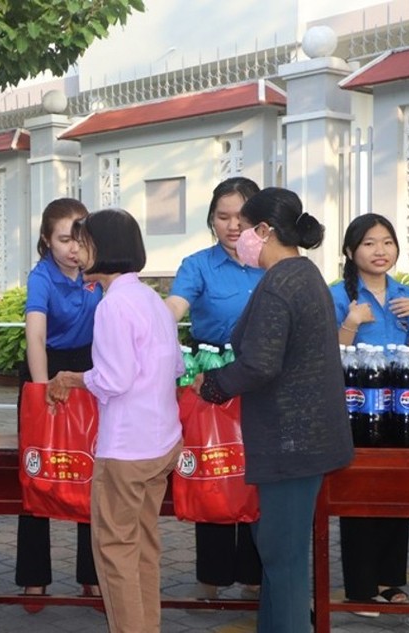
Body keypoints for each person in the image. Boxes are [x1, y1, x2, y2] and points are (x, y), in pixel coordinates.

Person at [195, 187, 354, 633]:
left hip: (291, 442)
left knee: (282, 562)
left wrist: (212, 384)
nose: (236, 235)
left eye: (243, 227)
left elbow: (261, 364)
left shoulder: (281, 282)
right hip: (305, 440)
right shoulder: (304, 274)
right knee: (278, 557)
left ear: (263, 231)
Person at [47, 209, 183, 633]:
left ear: (100, 249)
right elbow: (176, 366)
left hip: (126, 448)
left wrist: (72, 377)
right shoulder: (150, 300)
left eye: (81, 242)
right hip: (162, 442)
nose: (76, 251)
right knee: (144, 547)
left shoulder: (112, 306)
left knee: (116, 551)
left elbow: (114, 379)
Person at [164, 177, 264, 600]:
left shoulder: (272, 263)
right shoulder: (198, 265)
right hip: (212, 378)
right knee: (214, 468)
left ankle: (255, 578)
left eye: (242, 216)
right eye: (222, 217)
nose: (233, 225)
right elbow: (175, 306)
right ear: (211, 221)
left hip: (260, 377)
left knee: (255, 475)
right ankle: (212, 577)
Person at [330, 213, 409, 614]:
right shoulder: (338, 295)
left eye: (387, 242)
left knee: (397, 492)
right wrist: (352, 322)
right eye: (370, 242)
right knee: (358, 498)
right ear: (352, 250)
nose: (380, 250)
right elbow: (328, 354)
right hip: (354, 408)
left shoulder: (404, 294)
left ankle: (391, 582)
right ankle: (359, 588)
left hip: (398, 410)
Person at [16, 198, 102, 605]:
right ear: (47, 241)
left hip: (90, 373)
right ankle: (35, 577)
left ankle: (93, 572)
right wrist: (41, 391)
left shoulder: (99, 274)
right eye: (64, 239)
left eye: (80, 239)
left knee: (92, 472)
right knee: (39, 471)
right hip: (45, 368)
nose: (73, 248)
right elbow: (35, 335)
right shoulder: (42, 277)